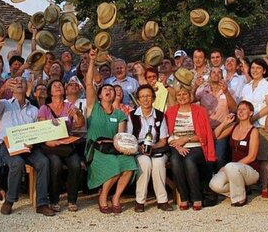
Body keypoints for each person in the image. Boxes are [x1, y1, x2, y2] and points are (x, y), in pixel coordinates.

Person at [0, 77, 54, 216]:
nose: (19, 83)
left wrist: (33, 142)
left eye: (22, 82)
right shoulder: (5, 104)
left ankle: (42, 203)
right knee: (17, 164)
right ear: (11, 87)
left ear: (27, 87)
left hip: (29, 147)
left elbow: (38, 130)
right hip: (8, 147)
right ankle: (10, 200)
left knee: (43, 162)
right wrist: (2, 89)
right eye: (15, 81)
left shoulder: (34, 109)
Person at [85, 48, 137, 214]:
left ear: (116, 94)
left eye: (112, 90)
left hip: (113, 147)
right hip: (96, 149)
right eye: (105, 90)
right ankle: (103, 197)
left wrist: (126, 150)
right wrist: (92, 60)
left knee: (130, 165)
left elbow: (120, 137)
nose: (108, 91)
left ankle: (116, 197)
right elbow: (88, 84)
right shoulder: (94, 108)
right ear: (99, 94)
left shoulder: (120, 114)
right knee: (114, 166)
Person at [165, 84, 216, 211]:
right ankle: (184, 197)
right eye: (179, 94)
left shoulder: (199, 110)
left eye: (185, 94)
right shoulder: (170, 111)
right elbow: (166, 133)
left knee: (189, 160)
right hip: (176, 145)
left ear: (190, 95)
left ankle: (197, 197)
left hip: (196, 145)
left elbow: (204, 134)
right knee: (175, 161)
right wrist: (178, 145)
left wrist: (186, 139)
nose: (182, 97)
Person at [37, 79, 85, 212]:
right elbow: (41, 129)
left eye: (60, 85)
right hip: (50, 145)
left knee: (75, 164)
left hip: (66, 145)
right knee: (56, 165)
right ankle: (54, 200)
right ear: (50, 92)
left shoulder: (69, 106)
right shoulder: (44, 108)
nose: (58, 87)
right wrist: (48, 142)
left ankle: (72, 200)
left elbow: (80, 124)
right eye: (54, 86)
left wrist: (78, 113)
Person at [127, 84, 173, 212]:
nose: (145, 99)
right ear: (138, 99)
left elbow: (163, 140)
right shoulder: (131, 116)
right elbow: (129, 139)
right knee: (145, 163)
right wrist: (140, 148)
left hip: (157, 148)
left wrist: (152, 147)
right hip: (138, 148)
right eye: (142, 97)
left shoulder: (160, 115)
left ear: (153, 98)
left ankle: (162, 200)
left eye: (148, 96)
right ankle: (140, 201)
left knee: (158, 163)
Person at [209, 101, 260, 206]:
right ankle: (240, 190)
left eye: (244, 109)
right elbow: (215, 136)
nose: (240, 112)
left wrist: (228, 166)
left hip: (250, 170)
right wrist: (225, 123)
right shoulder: (233, 126)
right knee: (214, 184)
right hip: (233, 169)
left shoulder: (254, 131)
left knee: (231, 166)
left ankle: (239, 198)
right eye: (239, 109)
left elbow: (252, 157)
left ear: (251, 113)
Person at [241, 58, 268, 198]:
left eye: (258, 68)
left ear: (264, 70)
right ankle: (248, 185)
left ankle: (264, 186)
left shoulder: (267, 85)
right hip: (246, 126)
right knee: (247, 156)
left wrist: (253, 118)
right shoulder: (246, 86)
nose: (255, 70)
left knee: (262, 157)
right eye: (253, 68)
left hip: (261, 125)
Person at [194, 67, 237, 170]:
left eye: (219, 72)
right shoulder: (202, 90)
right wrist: (195, 86)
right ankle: (208, 182)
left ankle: (221, 181)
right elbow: (191, 100)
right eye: (213, 72)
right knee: (207, 158)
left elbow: (234, 108)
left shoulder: (229, 90)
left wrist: (226, 92)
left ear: (222, 76)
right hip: (206, 129)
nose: (216, 74)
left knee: (220, 156)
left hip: (223, 128)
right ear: (209, 75)